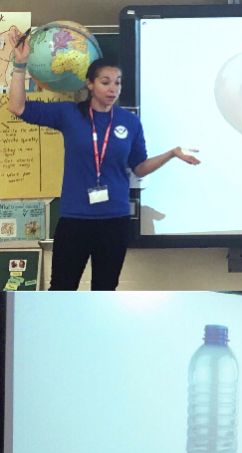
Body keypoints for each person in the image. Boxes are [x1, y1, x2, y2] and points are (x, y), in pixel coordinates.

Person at [8, 28, 200, 291]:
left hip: (114, 221)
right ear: (90, 84)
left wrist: (171, 153)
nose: (113, 89)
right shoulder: (69, 114)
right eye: (105, 82)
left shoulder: (129, 122)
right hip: (75, 219)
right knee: (62, 288)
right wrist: (19, 65)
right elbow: (17, 107)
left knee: (105, 288)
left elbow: (139, 167)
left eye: (117, 82)